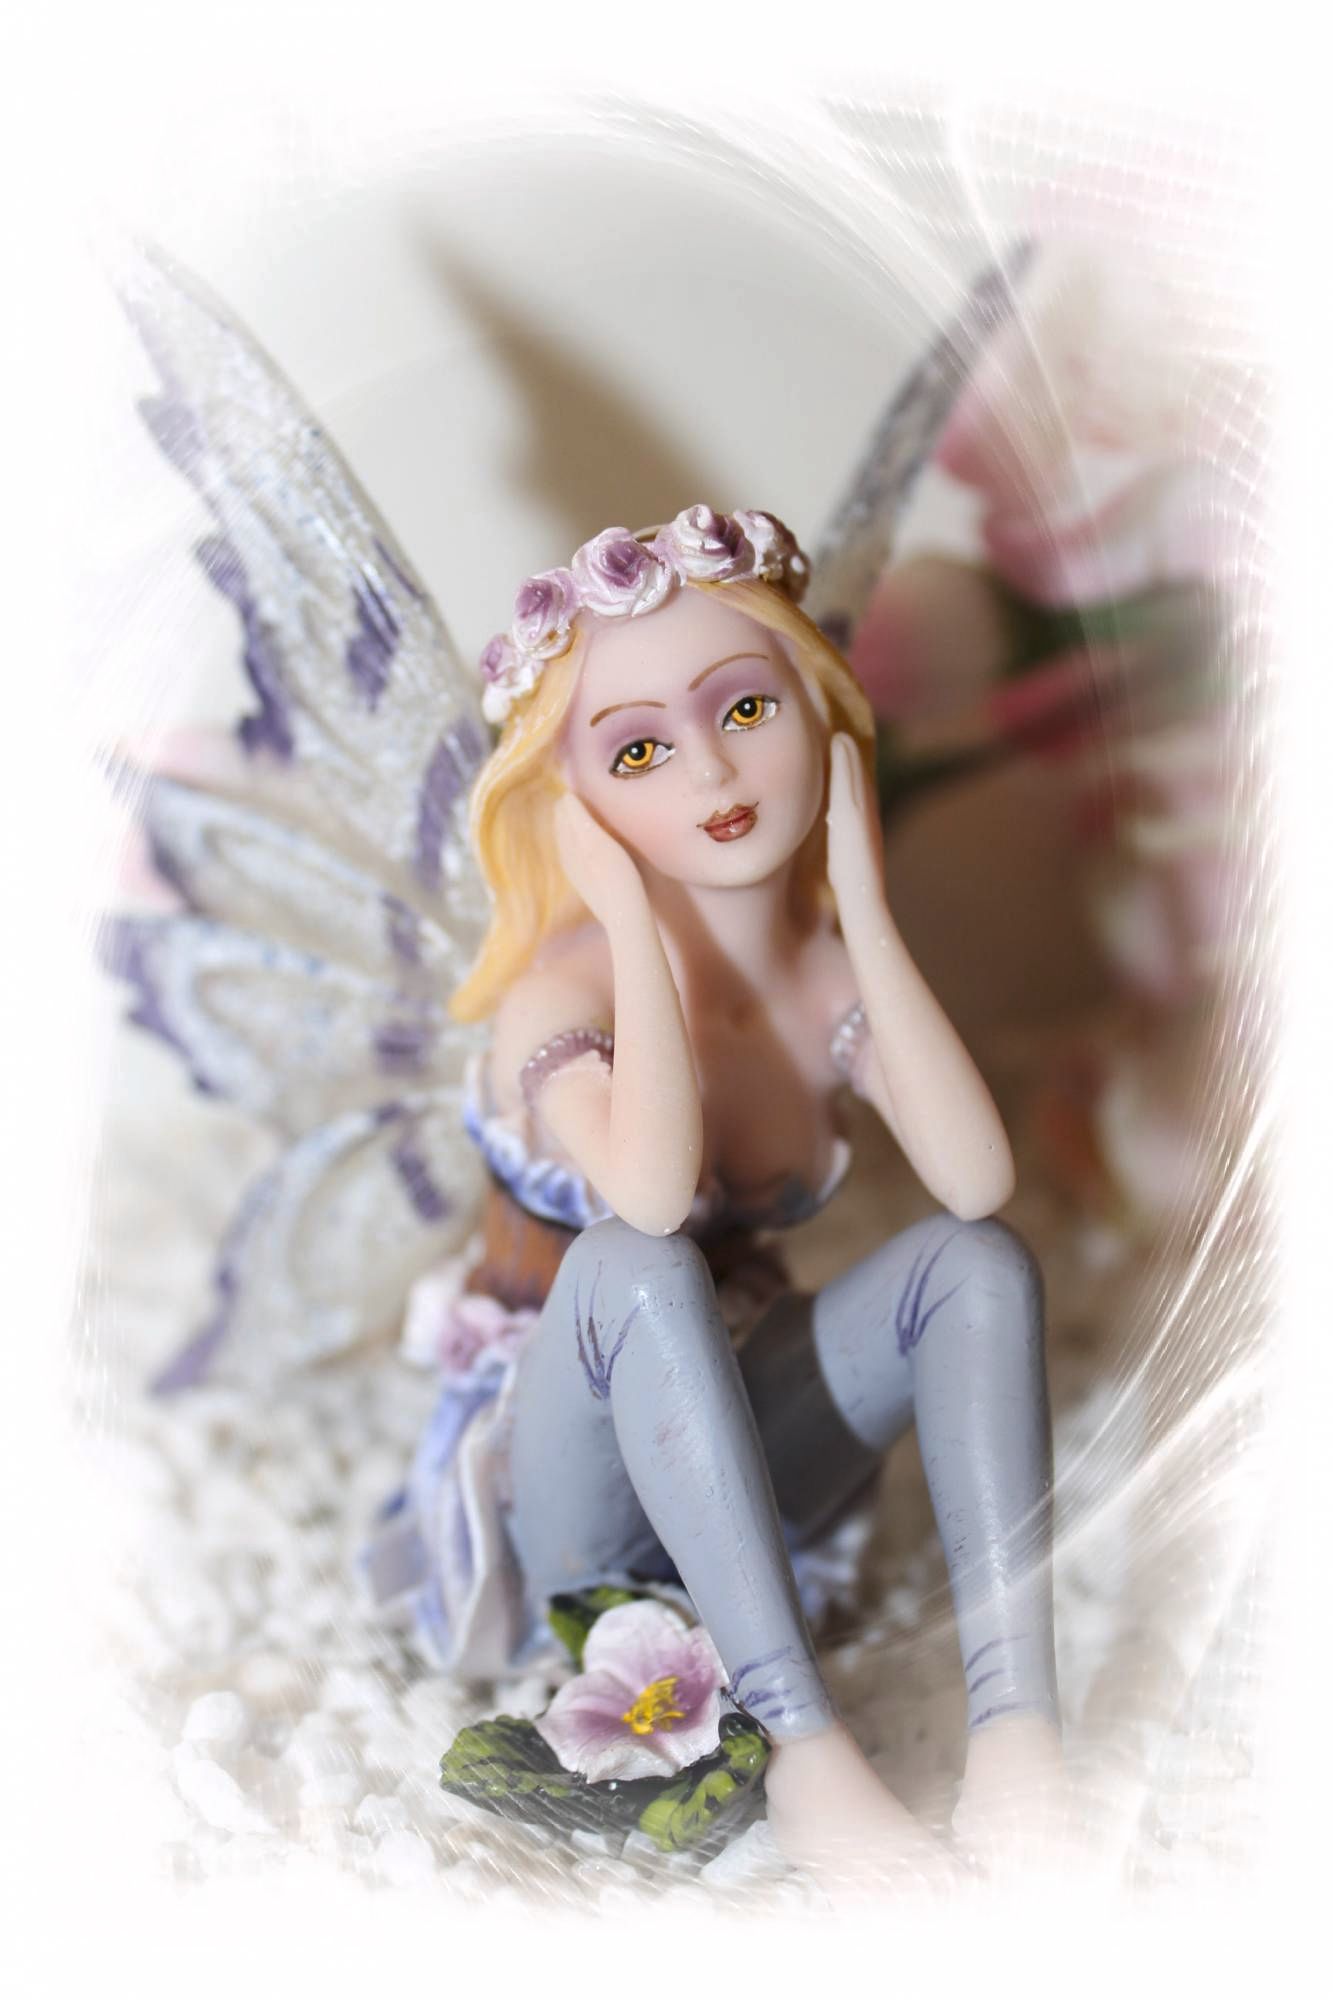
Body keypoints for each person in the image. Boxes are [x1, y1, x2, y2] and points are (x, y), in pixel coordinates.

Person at [382, 508, 1064, 1883]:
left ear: (817, 710)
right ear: (573, 804)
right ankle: (804, 1752)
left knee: (977, 1262)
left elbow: (975, 1177)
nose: (711, 771)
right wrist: (631, 924)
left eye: (745, 707)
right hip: (578, 1503)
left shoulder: (818, 983)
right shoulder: (560, 999)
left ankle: (1018, 1734)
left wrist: (864, 908)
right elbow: (646, 1198)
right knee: (638, 1266)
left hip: (748, 1458)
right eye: (637, 751)